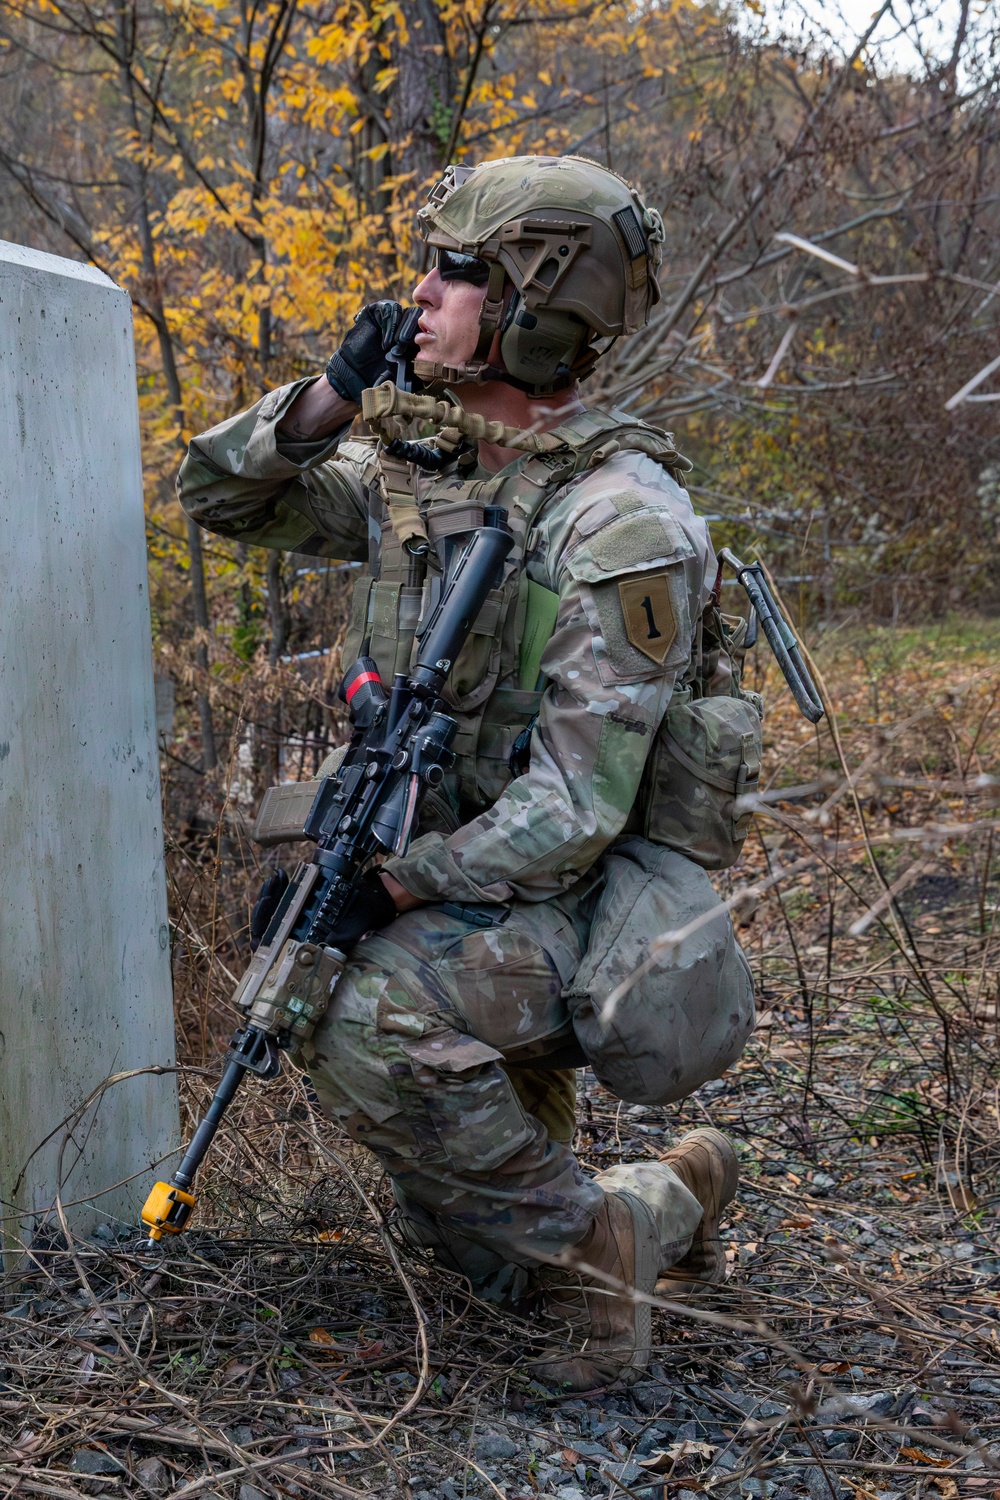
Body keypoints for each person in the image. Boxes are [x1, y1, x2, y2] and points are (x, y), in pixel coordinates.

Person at [177, 154, 757, 1390]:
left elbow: (577, 809)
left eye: (455, 273)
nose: (421, 294)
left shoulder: (619, 522)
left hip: (585, 901)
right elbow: (216, 495)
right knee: (476, 1254)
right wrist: (330, 396)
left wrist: (388, 890)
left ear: (535, 307)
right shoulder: (428, 474)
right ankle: (662, 1202)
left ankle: (601, 1250)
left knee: (351, 1008)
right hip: (472, 888)